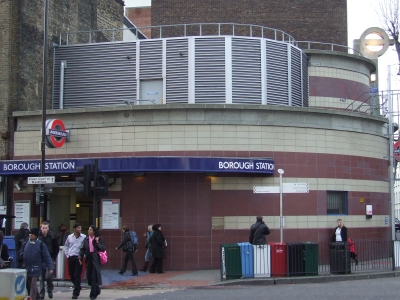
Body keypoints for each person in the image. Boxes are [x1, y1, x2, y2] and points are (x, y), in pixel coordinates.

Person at [22, 228, 54, 300]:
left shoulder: (40, 244)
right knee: (30, 284)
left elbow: (47, 256)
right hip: (28, 267)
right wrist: (21, 255)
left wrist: (50, 267)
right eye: (30, 234)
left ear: (36, 235)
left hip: (37, 268)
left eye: (32, 234)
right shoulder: (26, 243)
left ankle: (32, 298)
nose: (30, 235)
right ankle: (38, 297)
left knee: (33, 284)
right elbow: (22, 252)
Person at [79, 225, 105, 300]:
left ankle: (92, 295)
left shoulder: (99, 238)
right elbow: (82, 249)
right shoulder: (86, 239)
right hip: (89, 258)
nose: (88, 231)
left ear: (94, 231)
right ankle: (97, 289)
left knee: (94, 276)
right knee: (89, 277)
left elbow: (103, 248)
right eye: (88, 229)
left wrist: (97, 242)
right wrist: (80, 257)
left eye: (90, 229)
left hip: (96, 258)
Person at [64, 223, 86, 299]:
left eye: (80, 228)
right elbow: (66, 246)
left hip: (79, 258)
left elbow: (86, 247)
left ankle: (75, 293)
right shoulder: (70, 237)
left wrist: (83, 256)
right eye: (78, 228)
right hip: (71, 257)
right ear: (74, 229)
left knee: (77, 274)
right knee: (72, 274)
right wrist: (67, 254)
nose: (80, 229)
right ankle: (77, 286)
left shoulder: (84, 237)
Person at [38, 221, 59, 300]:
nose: (44, 230)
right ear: (41, 228)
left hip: (49, 258)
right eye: (43, 228)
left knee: (48, 276)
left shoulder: (52, 236)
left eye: (46, 228)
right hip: (40, 259)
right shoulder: (38, 236)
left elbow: (56, 248)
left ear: (48, 228)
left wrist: (53, 258)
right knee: (41, 278)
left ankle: (50, 289)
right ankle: (41, 294)